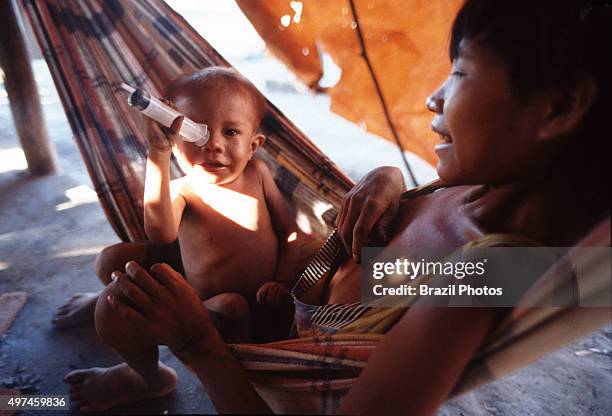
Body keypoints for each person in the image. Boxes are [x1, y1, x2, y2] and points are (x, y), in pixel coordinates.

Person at [65, 0, 611, 413]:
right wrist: (388, 176)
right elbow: (391, 269)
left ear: (560, 108)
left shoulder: (481, 276)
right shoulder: (474, 192)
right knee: (118, 275)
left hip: (274, 348)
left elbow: (424, 283)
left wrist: (195, 343)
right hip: (295, 293)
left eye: (461, 72)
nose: (433, 97)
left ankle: (146, 374)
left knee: (116, 309)